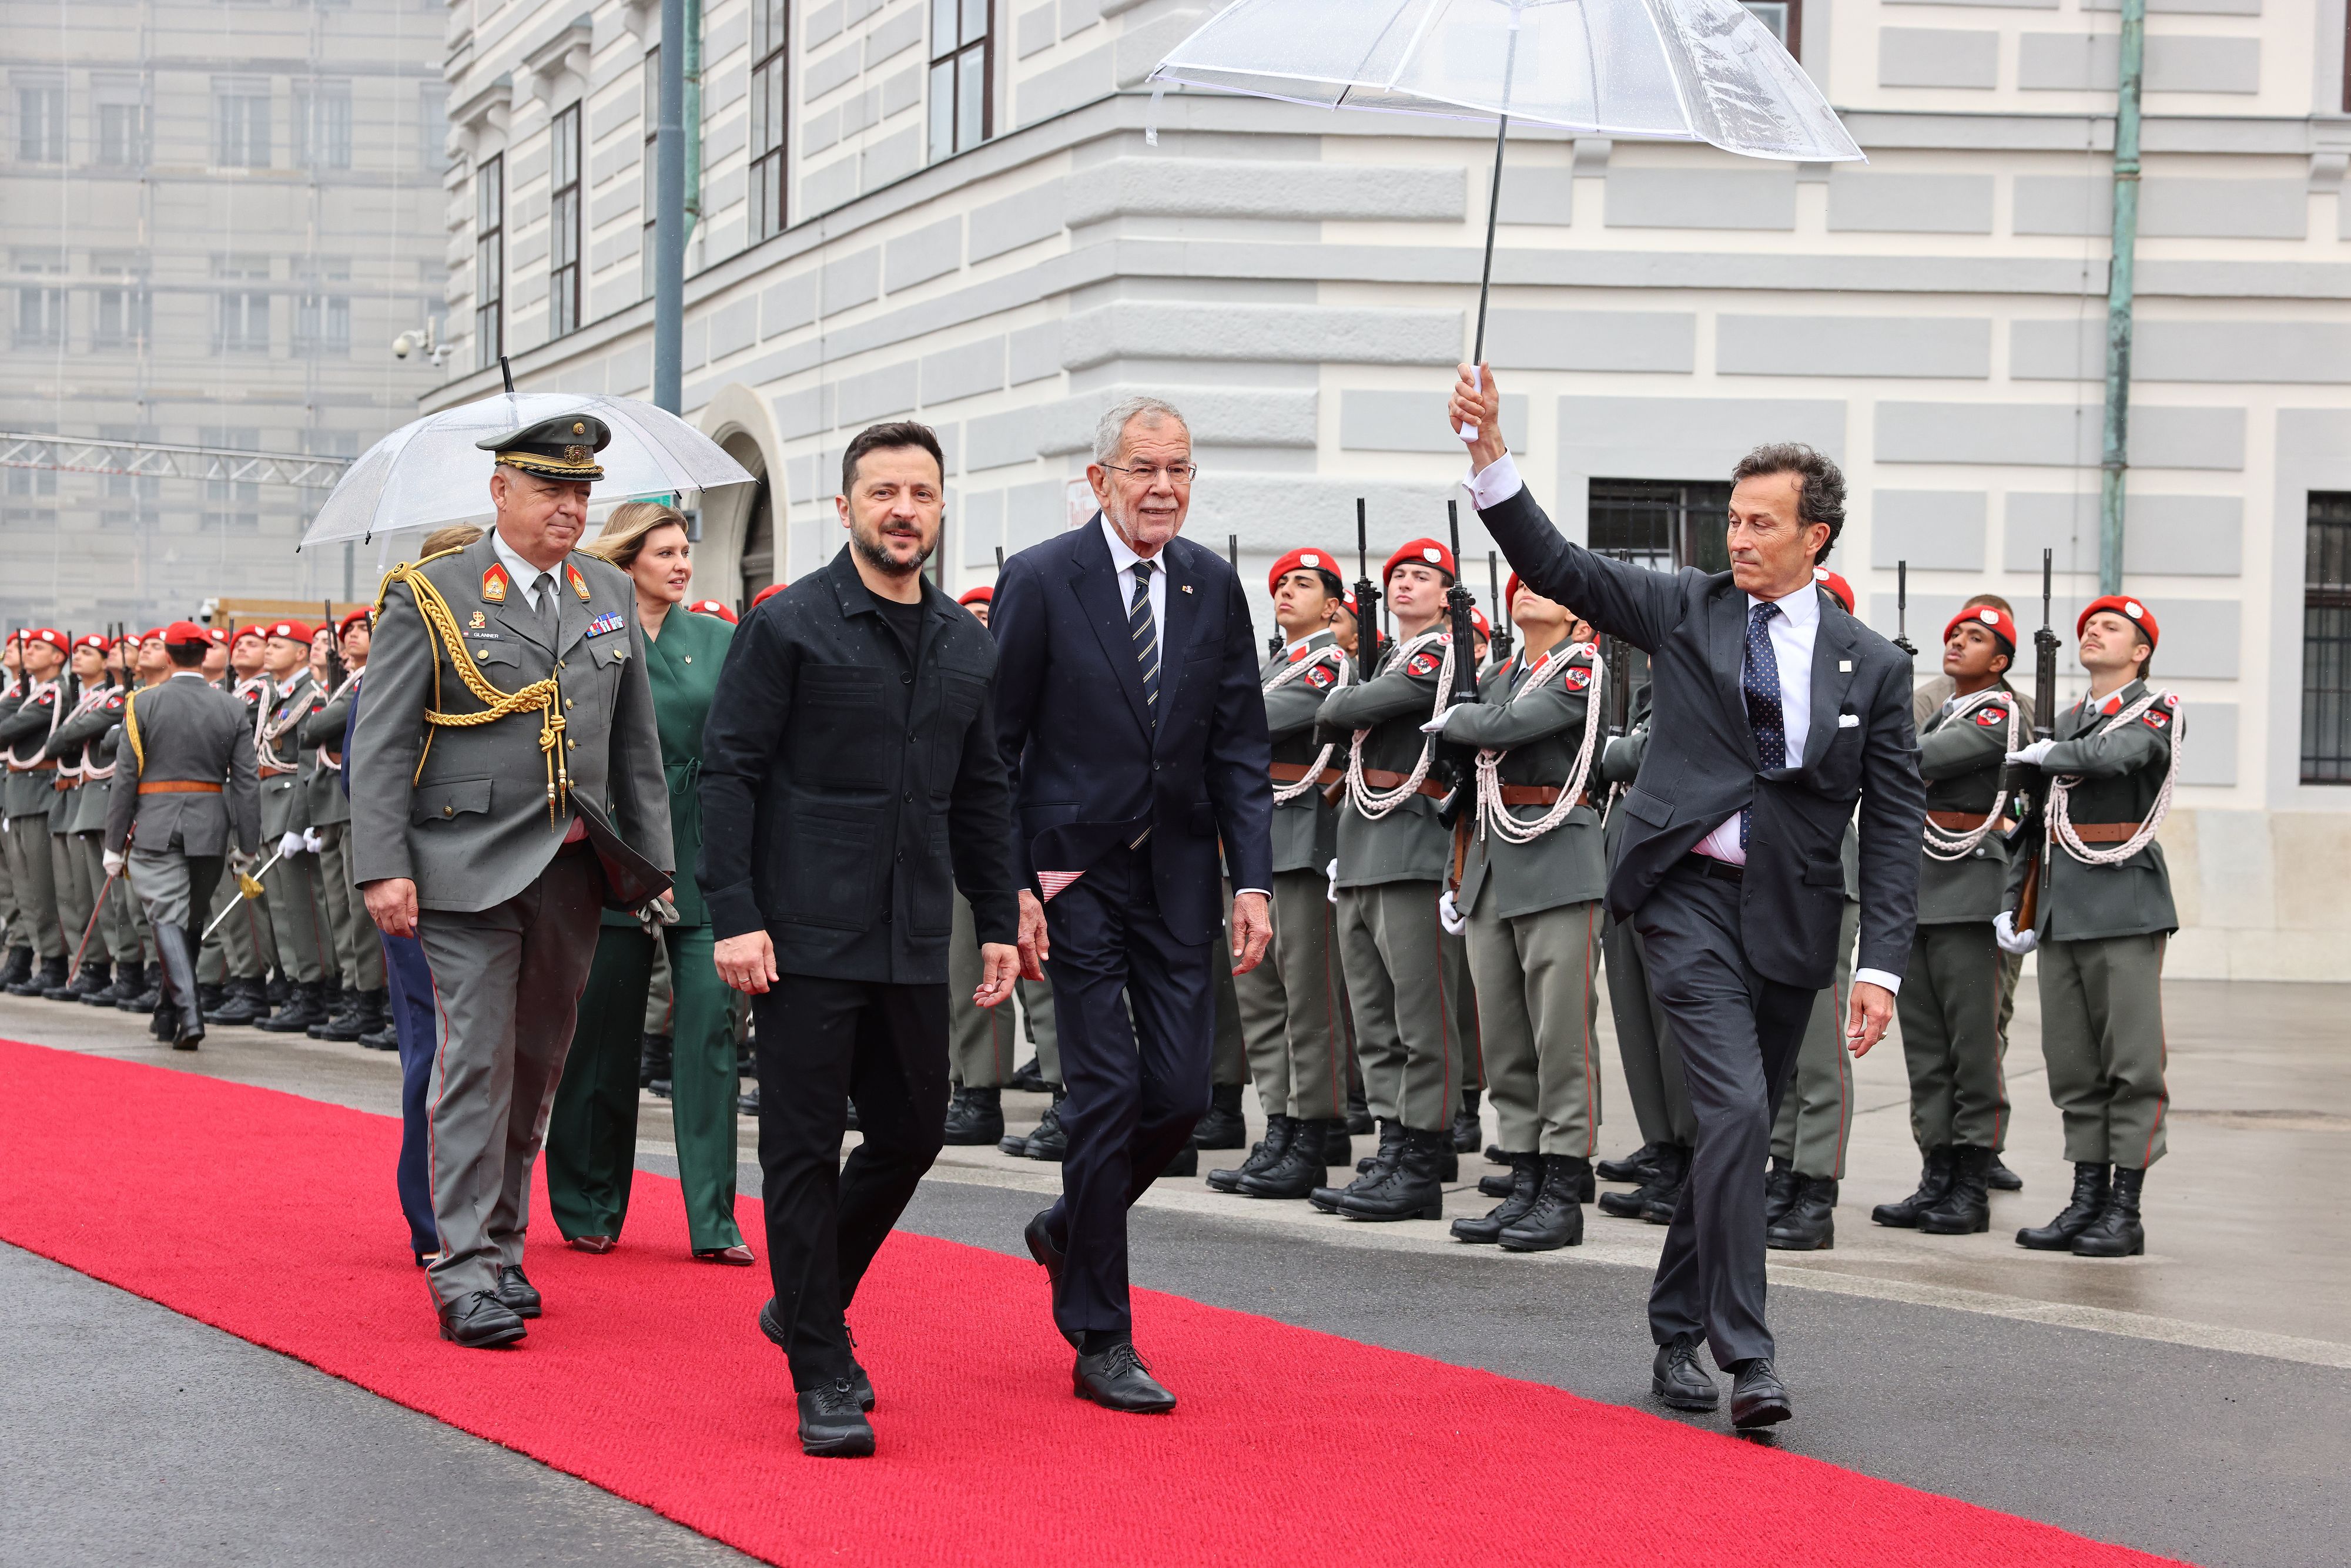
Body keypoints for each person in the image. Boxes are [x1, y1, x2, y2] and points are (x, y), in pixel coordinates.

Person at [1451, 363, 1924, 1431]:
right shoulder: (1685, 606)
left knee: (1734, 1132)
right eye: (1732, 518)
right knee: (1741, 1109)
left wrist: (1882, 963)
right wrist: (1490, 453)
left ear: (1819, 537)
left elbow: (1893, 821)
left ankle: (1672, 1323)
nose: (1738, 538)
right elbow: (1557, 562)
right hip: (1682, 896)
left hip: (1795, 913)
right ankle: (1747, 1354)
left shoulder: (1872, 667)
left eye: (1762, 522)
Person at [700, 420, 1020, 1458]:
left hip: (910, 934)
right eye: (883, 491)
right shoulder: (788, 625)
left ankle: (803, 1293)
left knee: (915, 1129)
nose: (903, 509)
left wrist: (1002, 916)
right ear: (844, 509)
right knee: (799, 1146)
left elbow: (983, 793)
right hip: (799, 936)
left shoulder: (966, 644)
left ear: (938, 508)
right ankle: (821, 1361)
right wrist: (736, 913)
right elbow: (730, 772)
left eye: (921, 493)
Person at [353, 413, 673, 1350]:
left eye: (582, 493)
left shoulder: (606, 589)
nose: (570, 508)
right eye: (550, 491)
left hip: (573, 869)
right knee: (477, 1062)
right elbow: (384, 745)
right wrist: (384, 867)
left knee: (536, 1068)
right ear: (501, 493)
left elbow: (634, 745)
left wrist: (652, 868)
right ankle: (460, 1268)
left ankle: (500, 1244)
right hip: (463, 869)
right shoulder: (434, 592)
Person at [990, 395, 1274, 1414]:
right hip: (1076, 876)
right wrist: (1011, 885)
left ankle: (1072, 1223)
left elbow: (1240, 742)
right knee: (1105, 1091)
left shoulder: (1210, 584)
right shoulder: (1039, 579)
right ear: (1101, 477)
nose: (1164, 487)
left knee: (1182, 1095)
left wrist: (1253, 879)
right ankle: (1102, 1332)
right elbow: (1000, 747)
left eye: (1180, 469)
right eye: (1145, 469)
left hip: (1182, 875)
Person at [545, 501, 752, 1265]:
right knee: (599, 1037)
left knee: (709, 1035)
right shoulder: (590, 637)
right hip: (612, 849)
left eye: (683, 552)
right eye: (662, 552)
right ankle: (589, 1205)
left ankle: (714, 1221)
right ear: (627, 559)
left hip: (705, 849)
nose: (680, 564)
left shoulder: (720, 638)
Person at [1999, 595, 2178, 1259]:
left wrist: (2049, 751)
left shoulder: (2153, 710)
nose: (2093, 632)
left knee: (2130, 1062)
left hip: (2123, 898)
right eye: (2088, 626)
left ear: (2139, 652)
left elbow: (2120, 756)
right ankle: (2086, 1198)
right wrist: (2012, 898)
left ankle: (2123, 1209)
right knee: (2072, 1063)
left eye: (2111, 628)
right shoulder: (2064, 723)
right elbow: (2030, 821)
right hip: (2062, 903)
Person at [1307, 538, 1479, 1220]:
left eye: (1421, 576)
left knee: (1419, 1018)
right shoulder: (1393, 659)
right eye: (1397, 575)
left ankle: (1422, 1151)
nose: (1405, 585)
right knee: (1374, 1018)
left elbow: (1340, 711)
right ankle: (1391, 1139)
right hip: (1360, 846)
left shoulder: (1437, 654)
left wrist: (1347, 699)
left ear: (1447, 596)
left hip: (1408, 846)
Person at [1436, 576, 1607, 1251]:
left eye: (1543, 587)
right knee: (1505, 1041)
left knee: (1559, 1038)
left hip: (1556, 859)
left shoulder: (1580, 666)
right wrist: (1459, 720)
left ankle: (1563, 1192)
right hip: (1492, 861)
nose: (1527, 593)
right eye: (1520, 587)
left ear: (1575, 610)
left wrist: (1457, 718)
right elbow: (1464, 733)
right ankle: (1525, 1178)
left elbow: (1504, 726)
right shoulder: (1504, 668)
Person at [1872, 603, 2023, 1237]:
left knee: (1972, 1046)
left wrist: (1879, 735)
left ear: (2000, 661)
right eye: (1954, 634)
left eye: (1976, 637)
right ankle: (1934, 1173)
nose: (1958, 643)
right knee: (1927, 1047)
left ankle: (1970, 1180)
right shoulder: (1940, 709)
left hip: (1969, 888)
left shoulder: (1997, 710)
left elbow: (1917, 758)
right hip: (1922, 886)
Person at [1210, 548, 1356, 1200]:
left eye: (1302, 584)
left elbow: (1254, 725)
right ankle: (1277, 1123)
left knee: (1306, 999)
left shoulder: (1329, 663)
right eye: (1280, 585)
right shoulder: (1273, 664)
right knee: (1260, 996)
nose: (1286, 593)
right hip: (1253, 846)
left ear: (1331, 605)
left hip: (1298, 843)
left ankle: (1311, 1131)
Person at [101, 621, 262, 1048]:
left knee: (167, 919)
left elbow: (125, 779)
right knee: (188, 920)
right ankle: (167, 1012)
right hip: (210, 826)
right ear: (205, 655)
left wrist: (114, 844)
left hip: (156, 825)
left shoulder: (142, 703)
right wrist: (247, 845)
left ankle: (190, 1016)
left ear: (169, 657)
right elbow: (246, 783)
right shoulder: (230, 707)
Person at [1592, 684, 1699, 1224]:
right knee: (1635, 1020)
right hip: (1627, 858)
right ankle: (1663, 1149)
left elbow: (1649, 752)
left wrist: (1610, 753)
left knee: (1673, 1024)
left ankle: (1690, 1158)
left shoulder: (1700, 679)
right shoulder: (1647, 695)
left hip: (1671, 868)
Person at [302, 611, 384, 1043]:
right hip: (331, 805)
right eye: (348, 630)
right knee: (339, 909)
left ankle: (369, 997)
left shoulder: (373, 677)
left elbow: (315, 727)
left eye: (362, 629)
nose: (353, 636)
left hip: (356, 805)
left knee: (359, 912)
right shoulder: (347, 683)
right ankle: (353, 992)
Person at [252, 619, 333, 1034]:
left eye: (278, 644)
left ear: (302, 653)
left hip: (290, 806)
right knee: (282, 909)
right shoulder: (279, 695)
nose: (268, 649)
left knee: (302, 908)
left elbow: (306, 766)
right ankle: (297, 984)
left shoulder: (312, 697)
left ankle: (314, 991)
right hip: (270, 806)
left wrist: (299, 822)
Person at [39, 635, 130, 1001]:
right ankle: (91, 968)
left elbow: (65, 738)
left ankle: (122, 971)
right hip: (78, 796)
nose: (81, 657)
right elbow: (60, 740)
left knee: (113, 899)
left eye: (89, 652)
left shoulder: (120, 698)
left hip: (101, 797)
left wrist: (67, 736)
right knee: (77, 895)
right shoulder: (91, 700)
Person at [1, 628, 73, 997]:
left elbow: (9, 729)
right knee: (25, 888)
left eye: (39, 648)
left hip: (38, 796)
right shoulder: (32, 693)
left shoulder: (56, 693)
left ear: (59, 657)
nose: (28, 652)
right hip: (20, 795)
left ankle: (53, 963)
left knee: (42, 889)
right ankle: (41, 959)